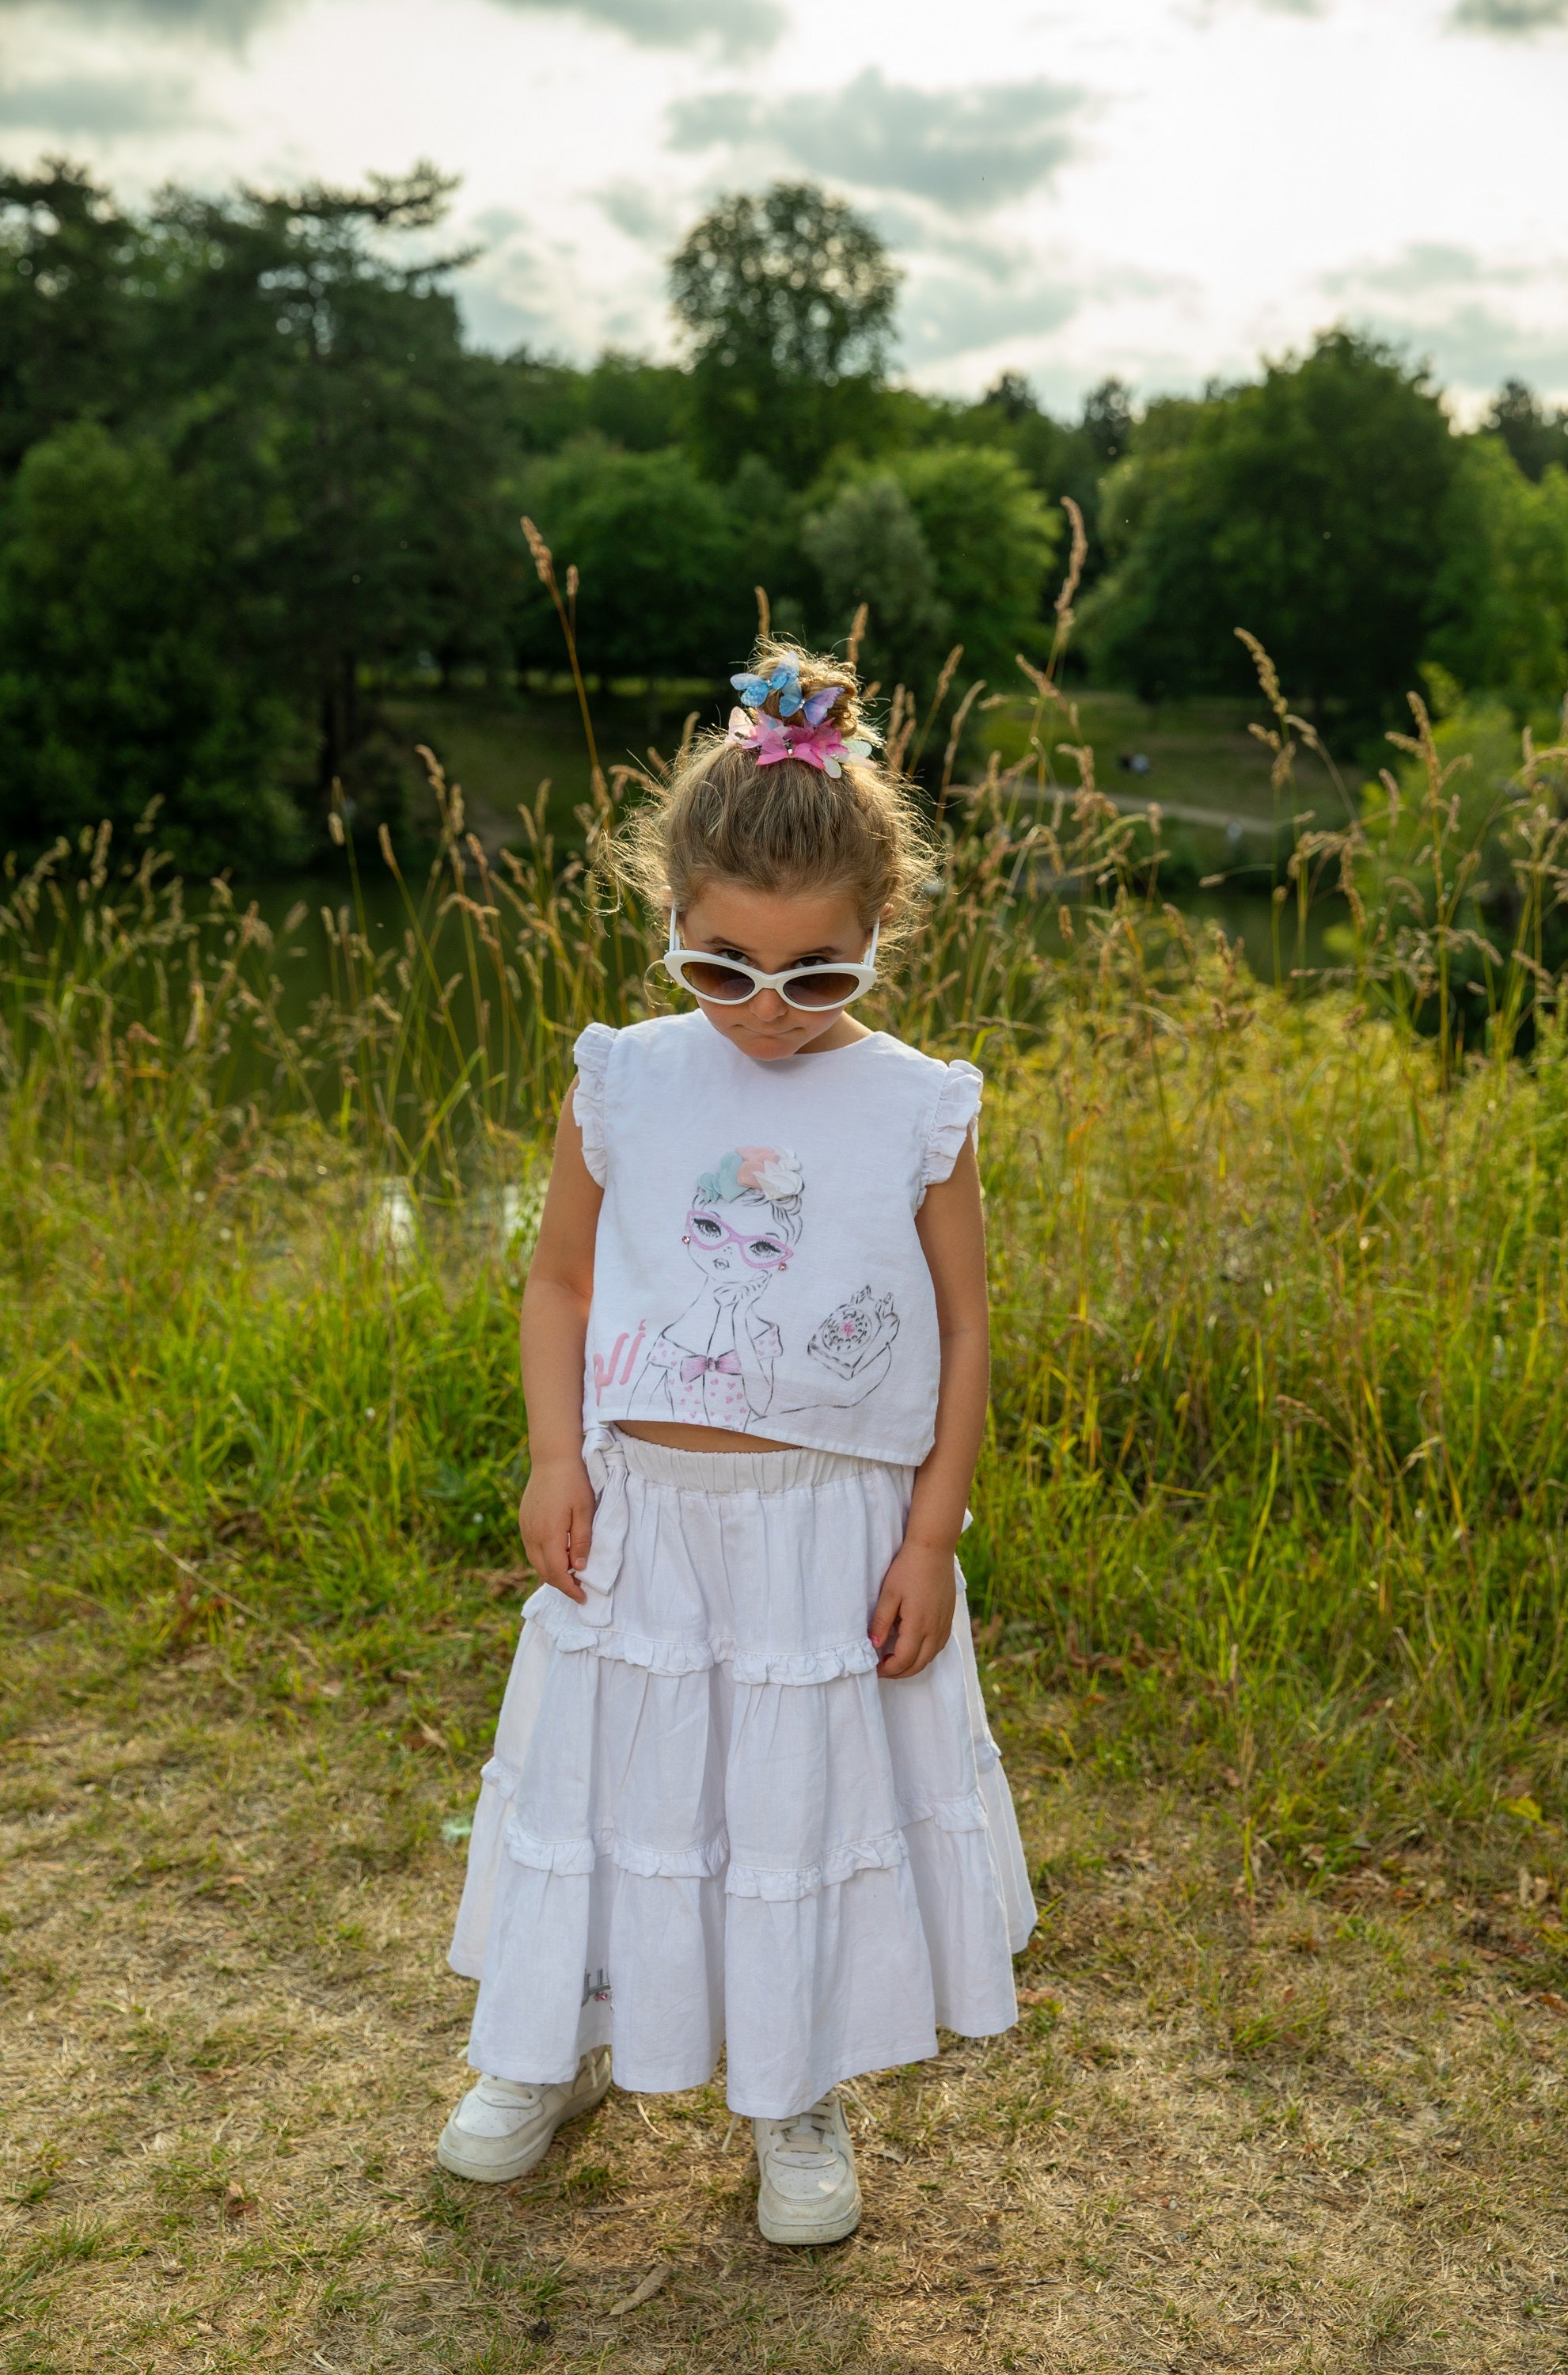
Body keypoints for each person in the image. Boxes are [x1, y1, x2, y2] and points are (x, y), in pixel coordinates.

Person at [440, 644, 1035, 2245]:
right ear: (675, 928)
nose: (766, 1013)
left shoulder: (921, 1106)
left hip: (822, 1538)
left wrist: (927, 1539)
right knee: (608, 1776)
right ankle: (546, 2042)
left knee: (786, 1801)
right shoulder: (622, 1079)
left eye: (815, 976)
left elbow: (967, 1328)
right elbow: (560, 1275)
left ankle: (793, 2090)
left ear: (876, 938)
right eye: (722, 969)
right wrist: (554, 1456)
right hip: (638, 1511)